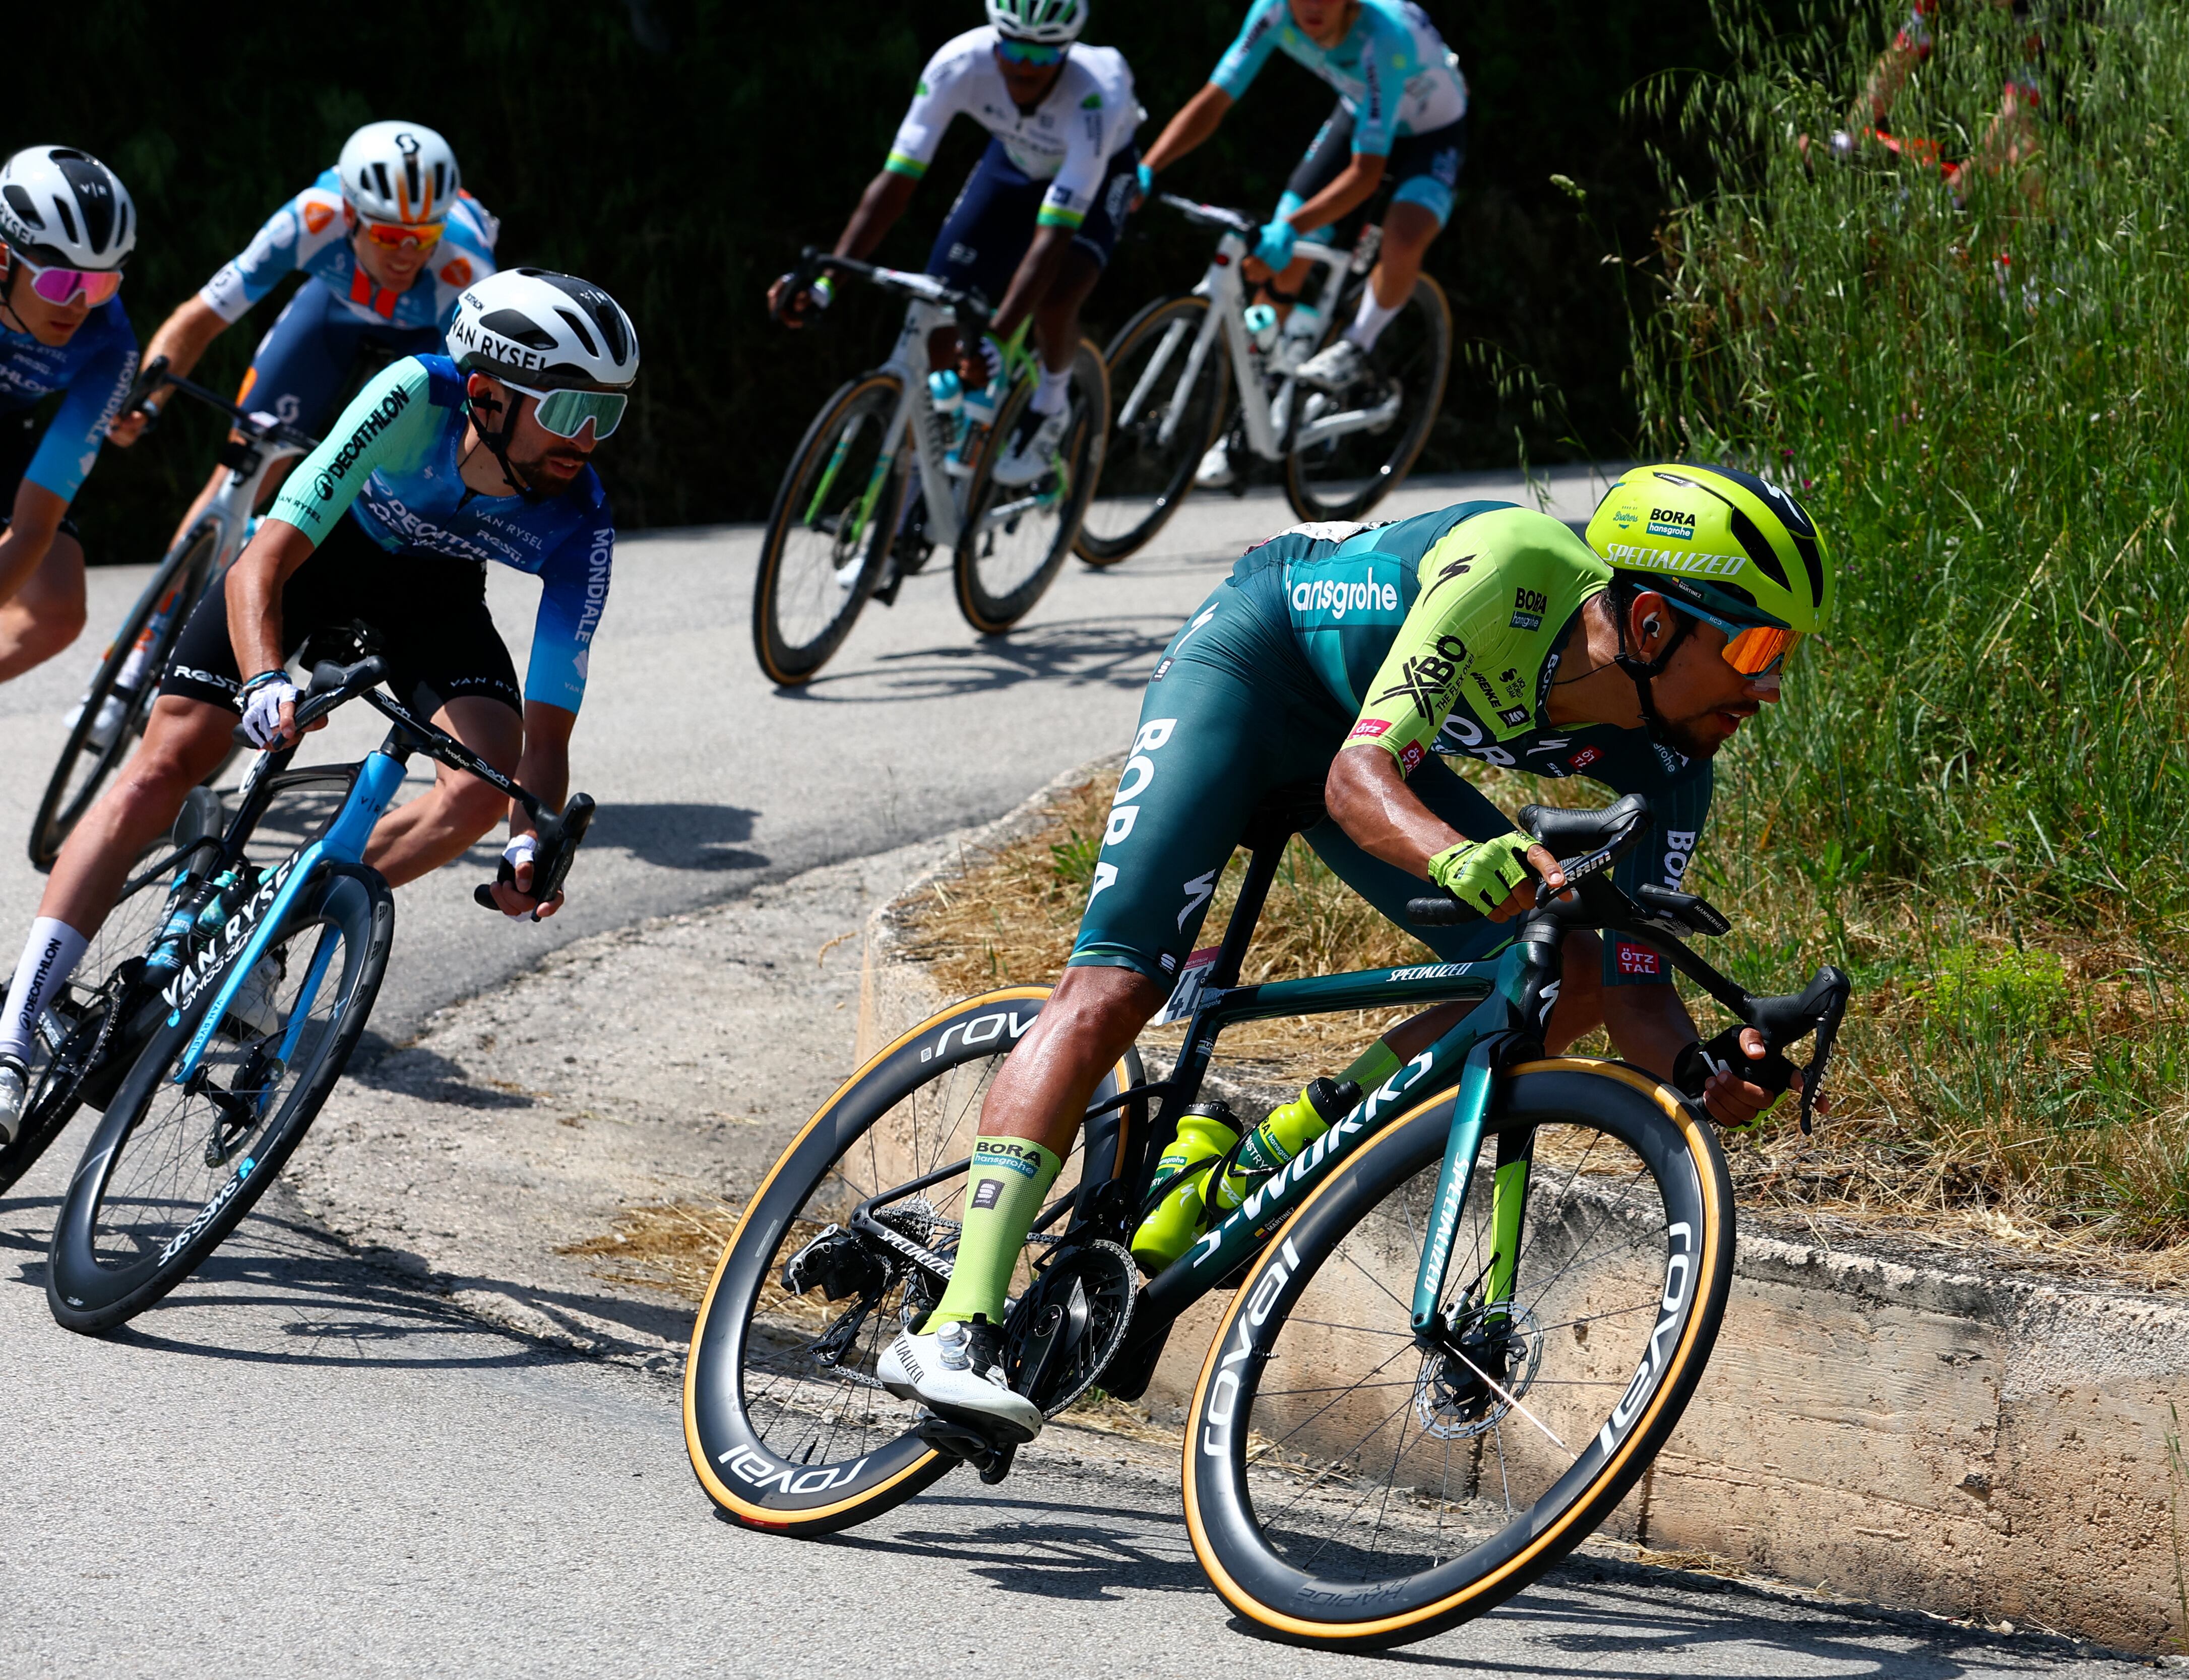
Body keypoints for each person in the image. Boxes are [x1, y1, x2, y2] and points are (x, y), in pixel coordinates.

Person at [876, 464, 1831, 1441]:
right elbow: (1358, 775)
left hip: (1361, 738)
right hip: (1257, 667)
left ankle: (1263, 1156)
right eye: (1754, 643)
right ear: (1650, 626)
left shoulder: (1671, 765)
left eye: (1784, 651)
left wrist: (1695, 1068)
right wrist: (1459, 855)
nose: (1768, 682)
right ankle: (959, 1323)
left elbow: (1634, 978)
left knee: (1576, 963)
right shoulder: (1512, 571)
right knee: (1117, 981)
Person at [0, 269, 637, 1140]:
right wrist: (265, 680)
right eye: (570, 411)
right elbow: (263, 562)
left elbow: (549, 729)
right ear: (487, 394)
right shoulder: (413, 395)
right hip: (315, 556)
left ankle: (266, 916)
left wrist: (534, 834)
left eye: (610, 413)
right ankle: (13, 1035)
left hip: (434, 599)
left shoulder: (582, 516)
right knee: (163, 765)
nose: (589, 438)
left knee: (484, 786)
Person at [769, 0, 1140, 487]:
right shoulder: (960, 64)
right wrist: (825, 280)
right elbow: (896, 182)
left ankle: (1051, 403)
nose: (1025, 68)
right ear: (995, 42)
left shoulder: (1093, 100)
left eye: (1043, 58)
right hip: (1014, 161)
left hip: (1102, 166)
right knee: (938, 306)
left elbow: (1054, 236)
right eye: (1015, 50)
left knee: (1057, 295)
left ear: (1067, 53)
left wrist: (998, 336)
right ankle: (921, 486)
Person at [112, 121, 497, 519]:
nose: (406, 254)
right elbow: (201, 317)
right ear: (350, 215)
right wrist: (145, 400)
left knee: (408, 484)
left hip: (426, 340)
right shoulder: (308, 220)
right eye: (387, 235)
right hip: (332, 313)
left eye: (424, 236)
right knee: (239, 473)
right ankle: (190, 569)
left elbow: (469, 401)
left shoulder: (468, 267)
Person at [1136, 0, 1467, 437]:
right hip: (1359, 112)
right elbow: (1214, 100)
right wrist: (1147, 168)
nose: (1311, 6)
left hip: (1432, 133)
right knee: (1279, 264)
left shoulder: (1383, 37)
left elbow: (1365, 175)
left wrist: (1290, 229)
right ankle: (1258, 406)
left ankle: (1358, 344)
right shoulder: (1272, 12)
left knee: (1403, 239)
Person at [0, 146, 140, 685]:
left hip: (10, 426)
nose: (80, 305)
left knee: (56, 610)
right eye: (60, 282)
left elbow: (35, 527)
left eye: (101, 284)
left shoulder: (111, 344)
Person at [1829, 1, 2046, 203]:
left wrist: (1949, 199)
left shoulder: (2040, 16)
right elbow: (1901, 57)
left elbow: (2015, 117)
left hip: (2058, 135)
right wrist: (1847, 137)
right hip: (1979, 128)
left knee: (2024, 158)